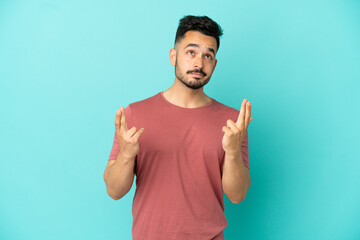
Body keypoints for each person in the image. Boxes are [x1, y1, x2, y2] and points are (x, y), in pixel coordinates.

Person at [104, 15, 253, 240]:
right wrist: (126, 155)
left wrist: (232, 153)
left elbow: (237, 195)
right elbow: (114, 191)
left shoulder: (232, 122)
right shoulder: (136, 113)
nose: (199, 63)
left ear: (214, 64)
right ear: (173, 56)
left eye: (208, 56)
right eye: (191, 52)